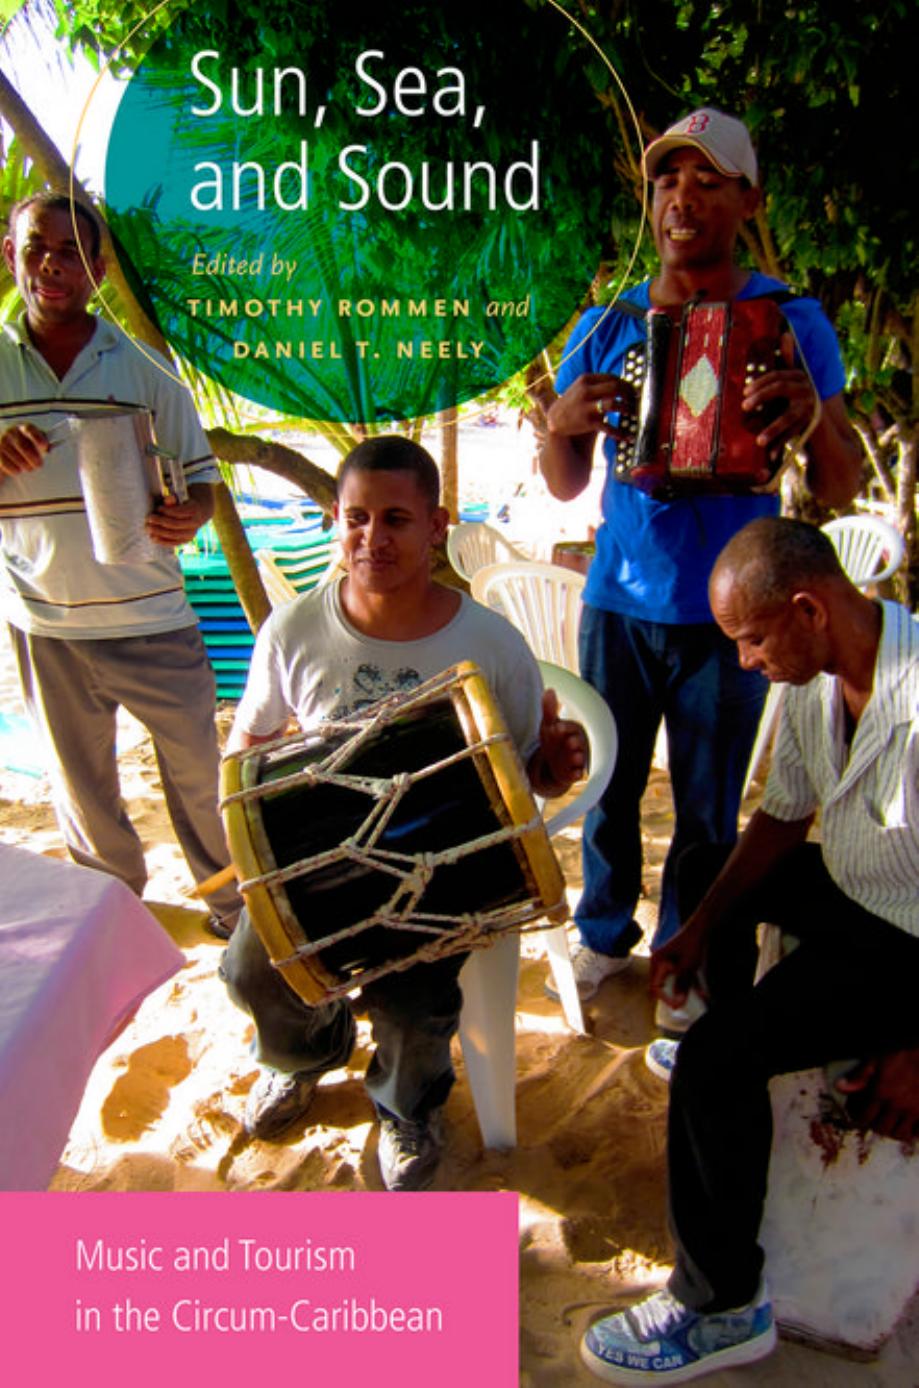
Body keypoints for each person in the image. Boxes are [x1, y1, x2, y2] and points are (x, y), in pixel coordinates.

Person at [580, 516, 919, 1384]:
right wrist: (696, 931)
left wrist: (915, 1050)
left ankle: (719, 1305)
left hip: (906, 945)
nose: (742, 661)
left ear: (807, 609)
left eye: (751, 639)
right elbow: (781, 817)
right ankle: (733, 1066)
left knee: (711, 1063)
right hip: (858, 888)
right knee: (705, 866)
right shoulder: (814, 676)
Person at [540, 109, 862, 1016]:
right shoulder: (604, 324)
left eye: (707, 181)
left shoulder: (792, 321)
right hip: (617, 600)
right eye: (666, 181)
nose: (681, 198)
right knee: (607, 789)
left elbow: (836, 485)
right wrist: (558, 424)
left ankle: (687, 956)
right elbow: (565, 482)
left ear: (747, 201)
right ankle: (603, 936)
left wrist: (811, 418)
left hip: (735, 617)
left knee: (708, 806)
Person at [221, 434, 588, 1190]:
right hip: (316, 860)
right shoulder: (293, 630)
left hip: (439, 869)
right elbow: (248, 746)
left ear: (436, 526)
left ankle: (404, 1105)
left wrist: (554, 768)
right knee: (250, 968)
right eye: (356, 518)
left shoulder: (489, 642)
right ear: (335, 521)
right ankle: (304, 1054)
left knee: (416, 1003)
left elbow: (521, 783)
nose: (373, 539)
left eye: (395, 519)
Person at [0, 191, 241, 932]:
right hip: (46, 625)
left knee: (202, 780)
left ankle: (232, 906)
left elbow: (203, 482)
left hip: (154, 617)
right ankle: (113, 920)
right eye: (38, 247)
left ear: (97, 270)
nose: (53, 264)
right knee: (83, 794)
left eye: (72, 252)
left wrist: (189, 513)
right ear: (10, 256)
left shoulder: (146, 368)